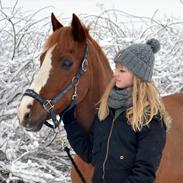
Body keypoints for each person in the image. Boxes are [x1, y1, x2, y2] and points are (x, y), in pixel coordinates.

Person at [63, 38, 171, 183]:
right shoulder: (107, 110)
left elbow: (145, 171)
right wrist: (69, 121)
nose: (115, 74)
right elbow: (90, 153)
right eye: (116, 68)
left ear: (138, 76)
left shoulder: (150, 117)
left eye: (122, 70)